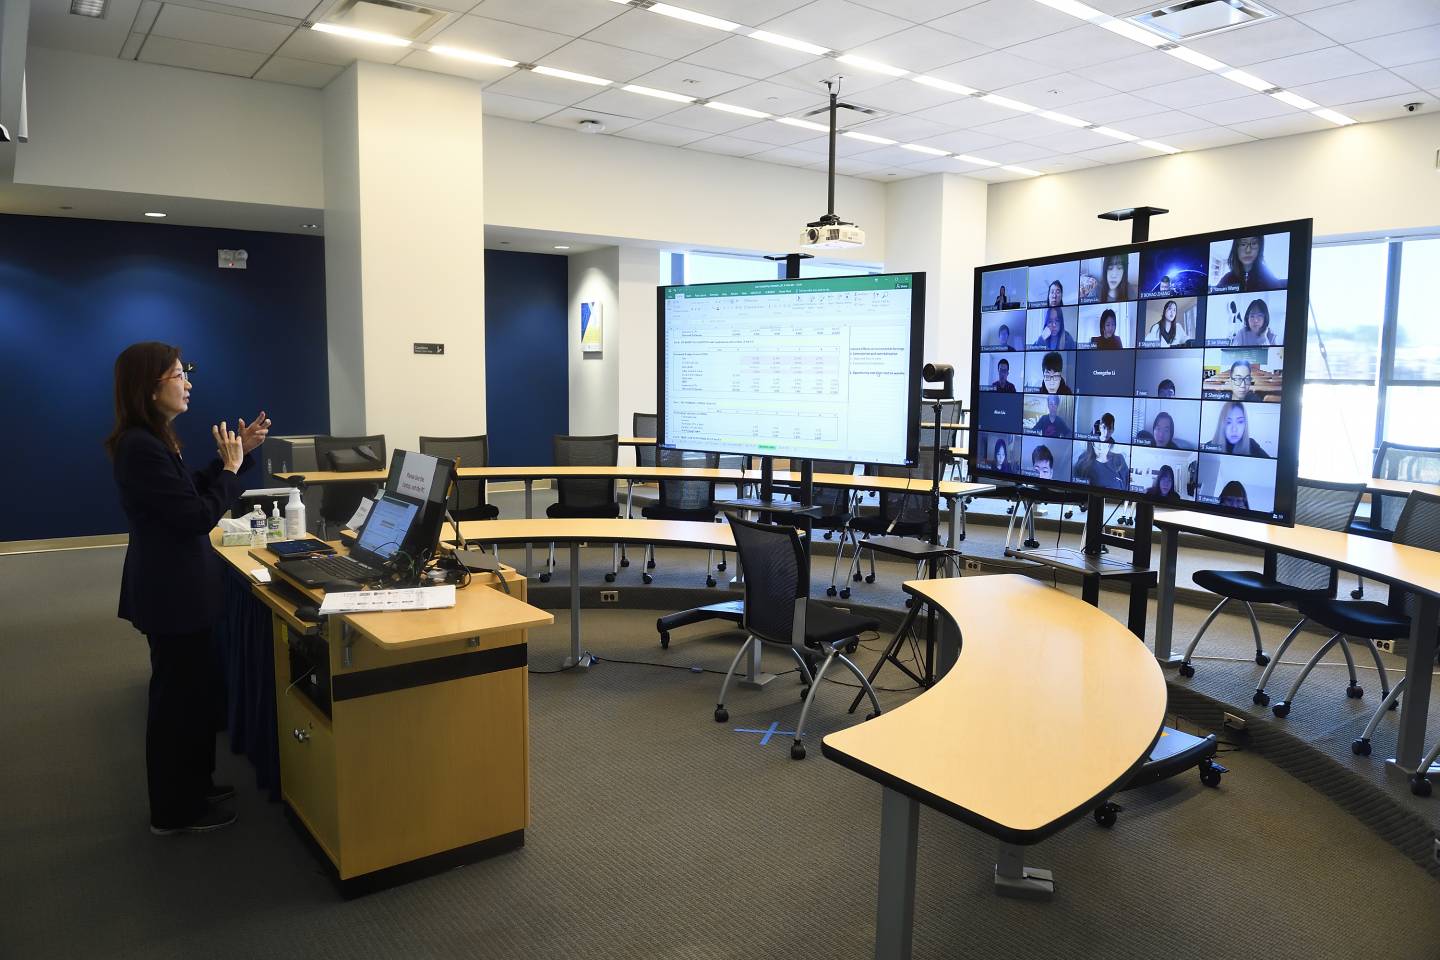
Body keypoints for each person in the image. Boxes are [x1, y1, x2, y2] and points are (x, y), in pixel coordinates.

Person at [107, 342, 271, 836]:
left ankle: (194, 785)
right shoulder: (139, 446)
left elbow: (188, 491)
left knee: (194, 694)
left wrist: (237, 457)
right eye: (179, 374)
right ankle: (174, 810)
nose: (188, 382)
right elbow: (196, 516)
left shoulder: (155, 439)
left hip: (179, 590)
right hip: (171, 593)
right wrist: (229, 470)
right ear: (151, 386)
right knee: (177, 703)